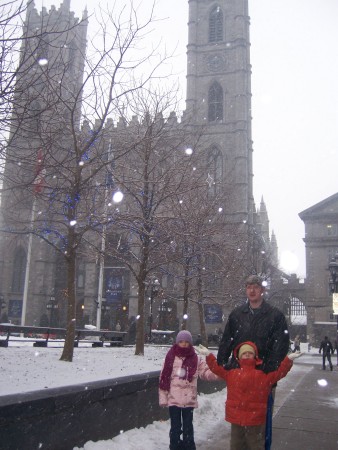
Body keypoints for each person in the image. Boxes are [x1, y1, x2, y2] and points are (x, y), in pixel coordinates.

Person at [196, 341, 301, 450]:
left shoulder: (262, 376)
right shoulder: (232, 373)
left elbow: (279, 373)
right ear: (239, 357)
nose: (247, 354)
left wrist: (289, 360)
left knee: (255, 445)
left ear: (255, 356)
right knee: (236, 445)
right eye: (244, 353)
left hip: (254, 420)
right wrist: (208, 355)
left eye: (249, 353)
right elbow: (216, 368)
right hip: (236, 419)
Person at [159, 330, 221, 450]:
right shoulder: (170, 357)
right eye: (181, 341)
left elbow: (205, 372)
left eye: (186, 342)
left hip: (189, 399)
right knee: (175, 428)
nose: (184, 344)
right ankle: (175, 446)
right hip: (174, 399)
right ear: (177, 342)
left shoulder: (196, 359)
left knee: (188, 427)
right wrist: (163, 398)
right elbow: (164, 378)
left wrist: (218, 374)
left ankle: (189, 446)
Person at [217, 275, 290, 372]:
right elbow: (226, 342)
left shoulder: (275, 316)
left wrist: (269, 369)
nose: (252, 291)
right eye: (249, 287)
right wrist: (221, 365)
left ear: (262, 290)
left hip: (264, 376)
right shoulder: (236, 315)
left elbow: (281, 345)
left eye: (256, 287)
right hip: (238, 374)